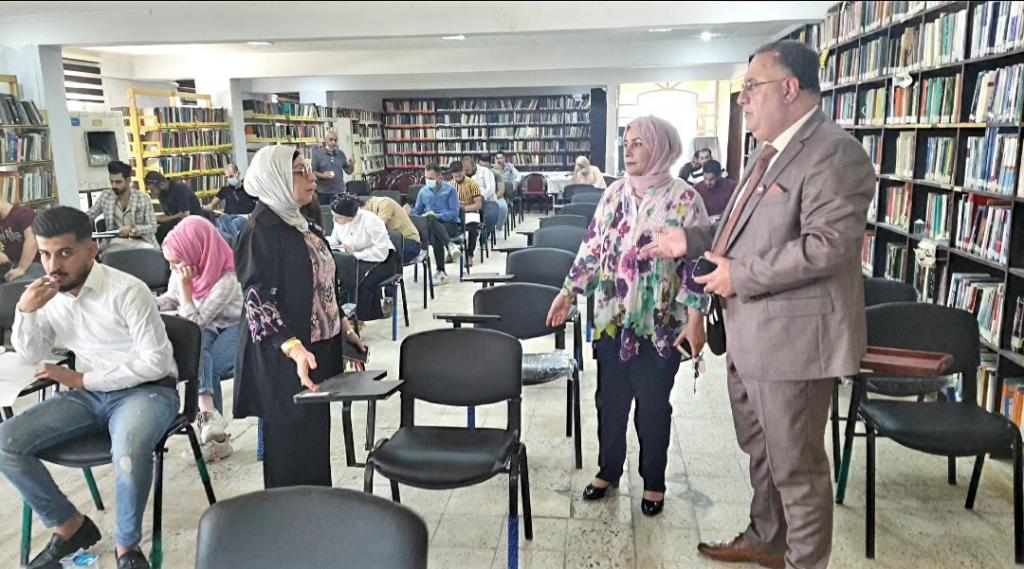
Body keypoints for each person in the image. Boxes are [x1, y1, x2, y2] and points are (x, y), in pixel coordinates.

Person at [641, 40, 875, 569]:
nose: (743, 98)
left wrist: (738, 275)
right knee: (761, 451)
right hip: (749, 334)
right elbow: (737, 229)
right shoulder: (765, 153)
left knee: (797, 468)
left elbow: (827, 247)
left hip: (794, 344)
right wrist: (690, 239)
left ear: (789, 88)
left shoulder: (835, 153)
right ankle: (767, 537)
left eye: (752, 86)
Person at [546, 116, 709, 518]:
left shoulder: (685, 198)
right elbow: (591, 247)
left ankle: (654, 481)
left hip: (660, 325)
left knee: (653, 406)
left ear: (661, 147)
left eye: (639, 143)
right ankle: (608, 470)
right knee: (610, 402)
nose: (629, 151)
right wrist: (568, 292)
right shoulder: (614, 193)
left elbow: (698, 264)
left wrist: (696, 318)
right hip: (613, 318)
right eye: (626, 143)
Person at [0, 206, 179, 569]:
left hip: (148, 390)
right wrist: (25, 311)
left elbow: (156, 363)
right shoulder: (50, 294)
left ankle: (127, 547)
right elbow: (31, 354)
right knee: (6, 441)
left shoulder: (127, 291)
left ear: (91, 250)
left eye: (65, 253)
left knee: (128, 450)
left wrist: (82, 380)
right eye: (45, 254)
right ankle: (70, 526)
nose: (53, 265)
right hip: (90, 395)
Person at [233, 145, 365, 489]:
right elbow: (257, 300)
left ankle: (318, 509)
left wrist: (343, 326)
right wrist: (292, 347)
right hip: (285, 358)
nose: (311, 177)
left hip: (317, 349)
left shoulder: (302, 221)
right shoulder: (260, 230)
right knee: (289, 449)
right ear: (275, 178)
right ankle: (290, 515)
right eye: (299, 172)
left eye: (308, 169)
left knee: (315, 441)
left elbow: (323, 285)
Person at [157, 216, 242, 462]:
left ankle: (215, 436)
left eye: (177, 262)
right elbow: (171, 299)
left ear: (198, 251)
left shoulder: (227, 279)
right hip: (208, 327)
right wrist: (147, 303)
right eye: (170, 263)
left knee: (207, 362)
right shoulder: (181, 271)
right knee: (198, 350)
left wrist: (186, 291)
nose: (174, 269)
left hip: (236, 326)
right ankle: (211, 423)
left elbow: (195, 322)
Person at [328, 194, 397, 321]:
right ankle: (344, 317)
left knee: (361, 283)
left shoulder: (371, 221)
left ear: (351, 215)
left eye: (339, 217)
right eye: (333, 216)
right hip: (354, 260)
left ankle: (360, 319)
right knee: (342, 277)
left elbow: (381, 251)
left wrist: (355, 254)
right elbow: (335, 240)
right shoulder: (339, 220)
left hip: (382, 260)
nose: (335, 220)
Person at [86, 161, 159, 254]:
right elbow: (90, 215)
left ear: (128, 180)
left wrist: (133, 229)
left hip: (141, 240)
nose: (114, 185)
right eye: (111, 181)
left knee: (151, 255)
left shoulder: (143, 198)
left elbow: (153, 227)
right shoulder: (105, 196)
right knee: (108, 257)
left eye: (118, 182)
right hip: (115, 242)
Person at [409, 163, 463, 285]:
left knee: (434, 230)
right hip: (430, 225)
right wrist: (410, 212)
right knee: (430, 221)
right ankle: (450, 245)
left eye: (431, 178)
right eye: (426, 178)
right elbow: (417, 211)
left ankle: (441, 271)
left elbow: (454, 213)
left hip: (449, 224)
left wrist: (437, 216)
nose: (428, 181)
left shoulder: (450, 190)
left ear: (439, 178)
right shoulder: (423, 192)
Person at [143, 171, 204, 243]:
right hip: (177, 224)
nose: (152, 193)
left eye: (153, 190)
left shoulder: (180, 188)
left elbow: (185, 215)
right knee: (151, 234)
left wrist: (164, 219)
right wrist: (155, 218)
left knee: (160, 237)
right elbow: (170, 214)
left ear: (162, 184)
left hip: (192, 225)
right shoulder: (162, 194)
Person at [362, 195, 421, 264]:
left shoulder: (384, 203)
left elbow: (378, 230)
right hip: (394, 243)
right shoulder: (368, 213)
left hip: (410, 244)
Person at [0, 194, 42, 282]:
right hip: (14, 266)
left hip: (34, 264)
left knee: (12, 286)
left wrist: (21, 268)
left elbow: (32, 240)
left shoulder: (23, 213)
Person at [451, 160, 482, 266]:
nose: (458, 177)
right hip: (456, 213)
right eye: (455, 175)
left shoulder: (472, 183)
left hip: (471, 212)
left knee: (472, 229)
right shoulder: (450, 185)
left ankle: (469, 254)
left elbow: (478, 205)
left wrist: (463, 209)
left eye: (460, 174)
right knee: (447, 226)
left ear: (463, 171)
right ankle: (452, 250)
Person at [311, 130, 354, 205]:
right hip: (323, 193)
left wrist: (352, 165)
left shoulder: (340, 154)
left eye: (335, 140)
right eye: (331, 139)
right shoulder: (318, 154)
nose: (333, 142)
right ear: (325, 140)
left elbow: (349, 171)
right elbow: (313, 172)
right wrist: (323, 175)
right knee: (325, 212)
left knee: (341, 212)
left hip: (339, 191)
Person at [479, 154, 509, 231]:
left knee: (502, 207)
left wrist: (493, 198)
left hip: (495, 197)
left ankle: (498, 227)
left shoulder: (496, 173)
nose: (483, 169)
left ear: (489, 165)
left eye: (485, 166)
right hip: (480, 198)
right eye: (481, 166)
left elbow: (501, 190)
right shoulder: (476, 174)